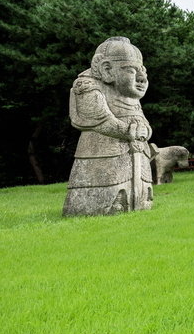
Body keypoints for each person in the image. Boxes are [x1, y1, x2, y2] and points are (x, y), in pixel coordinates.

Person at [64, 37, 155, 216]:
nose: (142, 77)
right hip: (102, 152)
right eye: (131, 70)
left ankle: (139, 202)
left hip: (136, 151)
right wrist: (128, 130)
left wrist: (146, 130)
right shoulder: (87, 85)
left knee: (141, 191)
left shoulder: (130, 96)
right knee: (109, 189)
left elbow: (141, 119)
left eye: (142, 70)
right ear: (107, 70)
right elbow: (100, 119)